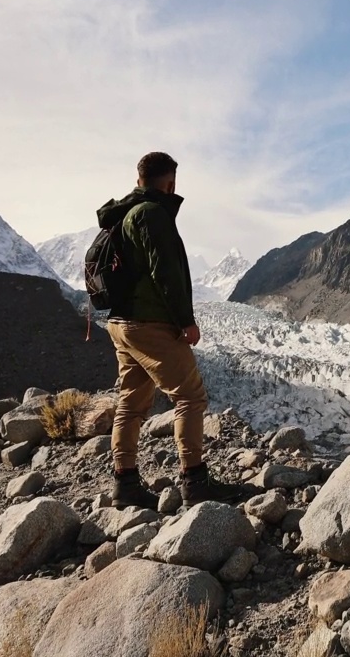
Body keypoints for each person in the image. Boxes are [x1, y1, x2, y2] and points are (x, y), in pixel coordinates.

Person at [95, 151, 246, 508]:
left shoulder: (125, 214)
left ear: (139, 179)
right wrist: (185, 321)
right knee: (190, 398)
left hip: (122, 324)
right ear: (171, 181)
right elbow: (167, 273)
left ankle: (125, 482)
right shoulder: (152, 214)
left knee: (131, 403)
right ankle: (195, 482)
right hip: (149, 323)